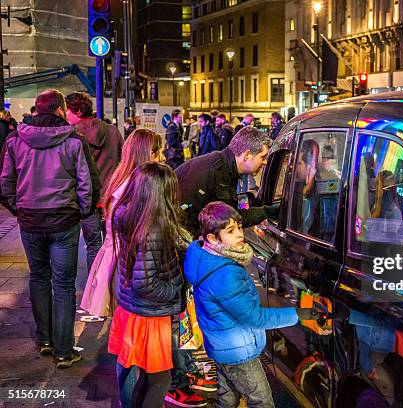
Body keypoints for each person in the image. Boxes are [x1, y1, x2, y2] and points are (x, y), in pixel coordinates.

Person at [0, 89, 100, 368]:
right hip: (64, 220)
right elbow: (87, 184)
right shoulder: (73, 140)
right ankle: (64, 350)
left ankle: (44, 340)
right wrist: (81, 211)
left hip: (31, 219)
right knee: (64, 284)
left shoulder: (15, 139)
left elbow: (5, 182)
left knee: (39, 277)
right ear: (59, 110)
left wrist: (19, 208)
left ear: (37, 109)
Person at [184, 201, 314, 407]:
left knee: (227, 398)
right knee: (262, 402)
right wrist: (297, 314)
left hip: (220, 345)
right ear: (212, 238)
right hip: (238, 352)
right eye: (230, 231)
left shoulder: (203, 256)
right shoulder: (226, 274)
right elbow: (254, 317)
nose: (239, 234)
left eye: (238, 226)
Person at [108, 162, 186, 408]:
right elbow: (146, 284)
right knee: (161, 379)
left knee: (145, 376)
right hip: (149, 315)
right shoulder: (153, 228)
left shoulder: (130, 216)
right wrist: (173, 290)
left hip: (134, 308)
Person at [80, 128, 165, 318]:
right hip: (128, 260)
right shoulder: (135, 185)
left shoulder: (123, 178)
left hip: (117, 256)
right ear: (149, 155)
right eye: (160, 152)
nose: (164, 158)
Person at [176, 126, 278, 238]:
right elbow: (185, 222)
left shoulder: (227, 170)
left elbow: (231, 217)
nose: (265, 163)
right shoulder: (209, 172)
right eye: (262, 157)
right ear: (247, 155)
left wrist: (267, 211)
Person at [66, 92, 124, 274]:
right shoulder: (113, 131)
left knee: (93, 246)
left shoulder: (72, 134)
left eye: (67, 110)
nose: (65, 114)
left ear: (77, 110)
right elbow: (124, 161)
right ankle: (111, 287)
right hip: (112, 198)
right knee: (113, 245)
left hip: (88, 199)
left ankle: (94, 290)